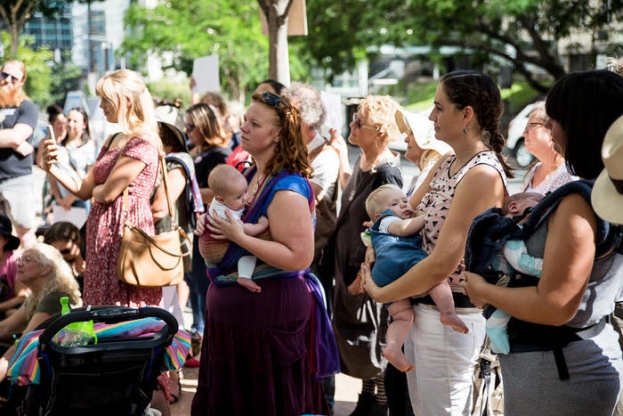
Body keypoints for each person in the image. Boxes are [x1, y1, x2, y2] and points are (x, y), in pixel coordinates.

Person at [463, 69, 623, 416]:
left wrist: (482, 290)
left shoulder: (579, 200)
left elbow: (555, 305)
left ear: (578, 124)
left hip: (558, 368)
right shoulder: (607, 189)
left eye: (554, 121)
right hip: (574, 356)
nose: (550, 131)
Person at [361, 70, 511, 416]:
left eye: (438, 108)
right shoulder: (446, 163)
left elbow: (444, 260)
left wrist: (383, 293)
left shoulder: (482, 174)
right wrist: (375, 244)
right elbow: (400, 215)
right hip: (420, 309)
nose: (431, 117)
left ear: (466, 115)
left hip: (452, 314)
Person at [190, 91, 335, 415]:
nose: (243, 127)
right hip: (241, 324)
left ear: (278, 135)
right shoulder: (253, 174)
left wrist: (237, 235)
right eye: (245, 119)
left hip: (268, 321)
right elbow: (232, 220)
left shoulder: (286, 189)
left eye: (254, 123)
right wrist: (210, 225)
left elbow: (299, 257)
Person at [43, 69, 163, 307]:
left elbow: (106, 193)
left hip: (126, 230)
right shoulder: (114, 139)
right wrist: (51, 168)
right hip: (103, 232)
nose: (100, 106)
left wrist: (100, 191)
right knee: (101, 303)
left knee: (123, 304)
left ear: (126, 101)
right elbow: (86, 189)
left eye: (106, 100)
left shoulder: (143, 141)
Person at [328, 95, 403, 414]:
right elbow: (352, 196)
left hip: (367, 270)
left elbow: (388, 228)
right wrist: (343, 156)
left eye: (360, 122)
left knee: (371, 336)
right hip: (348, 266)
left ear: (380, 133)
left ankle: (379, 402)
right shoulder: (364, 161)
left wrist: (367, 271)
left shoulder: (388, 172)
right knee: (357, 336)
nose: (352, 124)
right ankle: (367, 397)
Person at [365, 184, 468, 373]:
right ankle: (448, 312)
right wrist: (428, 215)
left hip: (383, 273)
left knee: (403, 315)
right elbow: (404, 229)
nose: (404, 205)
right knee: (435, 277)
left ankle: (393, 347)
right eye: (395, 203)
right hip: (401, 258)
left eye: (404, 200)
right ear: (378, 217)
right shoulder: (387, 221)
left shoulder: (380, 226)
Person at [464, 191, 544, 355]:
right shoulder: (509, 230)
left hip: (494, 280)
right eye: (538, 201)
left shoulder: (500, 226)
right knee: (500, 314)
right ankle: (499, 347)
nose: (544, 206)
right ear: (514, 206)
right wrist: (548, 268)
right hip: (500, 281)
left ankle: (498, 346)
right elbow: (519, 261)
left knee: (498, 314)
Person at [184, 102, 231, 361]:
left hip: (211, 228)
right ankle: (198, 335)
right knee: (193, 284)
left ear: (204, 126)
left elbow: (225, 190)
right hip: (196, 226)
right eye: (187, 125)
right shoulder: (194, 151)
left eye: (192, 126)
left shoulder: (219, 155)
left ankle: (203, 337)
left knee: (203, 285)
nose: (188, 130)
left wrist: (190, 190)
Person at [0, 243, 81, 381]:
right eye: (20, 259)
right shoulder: (37, 296)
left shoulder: (56, 297)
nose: (19, 264)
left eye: (27, 260)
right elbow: (5, 328)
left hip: (60, 373)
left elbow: (24, 345)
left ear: (46, 269)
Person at [199, 164, 268, 293]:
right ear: (221, 199)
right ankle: (244, 276)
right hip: (218, 250)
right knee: (250, 254)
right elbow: (244, 230)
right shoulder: (227, 215)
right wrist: (261, 226)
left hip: (208, 250)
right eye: (238, 197)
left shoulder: (218, 201)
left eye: (246, 191)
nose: (245, 198)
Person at [0, 60, 39, 248]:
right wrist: (12, 141)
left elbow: (17, 136)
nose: (7, 80)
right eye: (4, 75)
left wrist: (14, 140)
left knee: (25, 236)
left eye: (14, 78)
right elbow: (15, 138)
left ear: (22, 81)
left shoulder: (27, 107)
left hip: (17, 179)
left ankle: (27, 275)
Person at [521, 101, 577, 194]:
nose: (524, 133)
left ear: (550, 127)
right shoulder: (534, 171)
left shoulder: (568, 173)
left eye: (531, 126)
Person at [42, 221, 85, 293]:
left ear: (77, 242)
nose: (62, 256)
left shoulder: (92, 264)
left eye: (66, 251)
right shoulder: (49, 269)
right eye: (56, 253)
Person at [0, 215, 29, 318]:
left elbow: (22, 296)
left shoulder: (15, 262)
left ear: (5, 240)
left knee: (12, 314)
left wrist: (2, 307)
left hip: (8, 311)